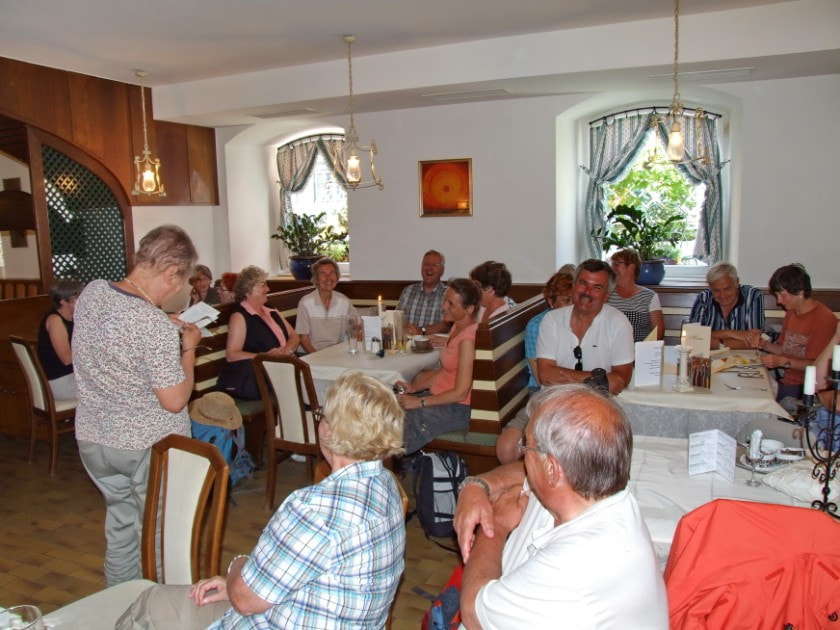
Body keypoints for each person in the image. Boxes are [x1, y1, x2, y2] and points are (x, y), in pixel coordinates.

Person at [116, 371, 407, 629]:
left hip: (265, 617)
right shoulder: (388, 488)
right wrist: (244, 585)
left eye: (322, 415)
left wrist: (239, 569)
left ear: (330, 430)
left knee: (151, 603)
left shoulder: (314, 509)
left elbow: (245, 600)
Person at [457, 385, 668, 629]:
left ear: (551, 469)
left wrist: (497, 524)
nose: (523, 457)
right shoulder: (586, 489)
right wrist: (477, 485)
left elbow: (473, 612)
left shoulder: (578, 563)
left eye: (527, 447)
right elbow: (521, 473)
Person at [72, 225, 201, 586]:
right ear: (171, 271)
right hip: (144, 444)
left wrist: (160, 323)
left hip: (96, 439)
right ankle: (158, 609)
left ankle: (120, 604)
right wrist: (188, 349)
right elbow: (174, 400)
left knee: (121, 527)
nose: (178, 289)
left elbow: (115, 336)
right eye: (182, 280)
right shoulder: (152, 324)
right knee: (159, 537)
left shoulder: (93, 292)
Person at [496, 270, 573, 464]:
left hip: (573, 394)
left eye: (574, 300)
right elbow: (542, 378)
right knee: (506, 449)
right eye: (566, 300)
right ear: (551, 302)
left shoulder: (581, 322)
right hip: (542, 393)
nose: (572, 306)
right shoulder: (537, 325)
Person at [395, 278, 481, 454]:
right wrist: (414, 387)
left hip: (458, 408)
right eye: (444, 301)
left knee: (399, 421)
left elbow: (460, 393)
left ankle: (392, 462)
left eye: (451, 304)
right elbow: (446, 372)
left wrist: (419, 402)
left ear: (469, 309)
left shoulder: (468, 340)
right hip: (443, 398)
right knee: (389, 406)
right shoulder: (457, 328)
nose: (443, 307)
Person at [536, 258, 634, 395]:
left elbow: (619, 381)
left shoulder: (619, 324)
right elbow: (546, 375)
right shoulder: (552, 320)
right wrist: (599, 380)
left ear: (606, 296)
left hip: (599, 403)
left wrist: (563, 376)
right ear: (574, 286)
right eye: (583, 283)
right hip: (557, 401)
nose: (587, 292)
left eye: (596, 288)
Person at [217, 265, 299, 400]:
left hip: (283, 368)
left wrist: (286, 351)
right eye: (262, 285)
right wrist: (264, 356)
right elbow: (232, 355)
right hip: (262, 377)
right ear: (248, 290)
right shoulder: (240, 316)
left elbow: (294, 336)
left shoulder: (270, 309)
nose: (268, 289)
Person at [757, 263, 836, 401]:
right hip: (786, 382)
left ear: (800, 292)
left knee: (759, 398)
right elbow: (785, 349)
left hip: (808, 389)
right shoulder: (791, 313)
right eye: (776, 295)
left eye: (782, 295)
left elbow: (815, 366)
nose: (779, 301)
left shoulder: (824, 319)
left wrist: (783, 362)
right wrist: (764, 344)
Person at [689, 262, 764, 349]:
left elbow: (754, 341)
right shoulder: (704, 298)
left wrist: (711, 340)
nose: (722, 295)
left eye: (727, 289)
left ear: (737, 283)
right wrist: (730, 333)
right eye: (716, 290)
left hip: (743, 357)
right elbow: (692, 337)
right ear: (710, 287)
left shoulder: (753, 296)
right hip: (708, 356)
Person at [296, 257, 357, 353]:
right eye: (323, 274)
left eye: (332, 273)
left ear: (337, 277)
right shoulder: (305, 303)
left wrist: (359, 330)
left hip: (335, 353)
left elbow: (357, 324)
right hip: (310, 353)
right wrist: (317, 357)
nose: (328, 278)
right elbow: (304, 339)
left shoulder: (344, 302)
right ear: (316, 279)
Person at [37, 279, 84, 400]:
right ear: (63, 301)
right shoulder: (55, 320)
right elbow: (67, 359)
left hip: (73, 376)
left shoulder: (74, 317)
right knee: (112, 389)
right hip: (61, 382)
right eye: (77, 297)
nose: (83, 300)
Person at [608, 248, 664, 342]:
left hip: (639, 348)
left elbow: (658, 331)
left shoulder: (649, 296)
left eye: (617, 264)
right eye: (612, 264)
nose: (612, 268)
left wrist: (643, 348)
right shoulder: (606, 294)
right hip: (611, 349)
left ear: (631, 267)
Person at [399, 249, 450, 336]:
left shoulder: (448, 294)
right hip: (407, 341)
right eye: (426, 264)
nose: (429, 268)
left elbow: (447, 325)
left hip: (434, 342)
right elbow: (397, 318)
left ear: (442, 270)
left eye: (435, 265)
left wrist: (421, 331)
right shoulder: (408, 291)